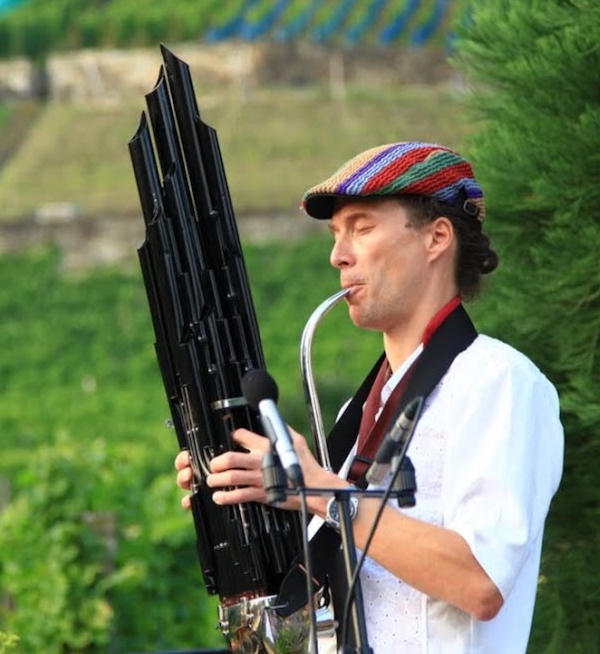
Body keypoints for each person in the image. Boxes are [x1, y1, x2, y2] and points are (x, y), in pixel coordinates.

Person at [174, 141, 565, 651]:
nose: (338, 254)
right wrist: (249, 501)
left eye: (362, 227)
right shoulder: (358, 411)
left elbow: (480, 582)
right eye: (337, 234)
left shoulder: (500, 381)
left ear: (436, 238)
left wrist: (319, 492)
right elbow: (340, 567)